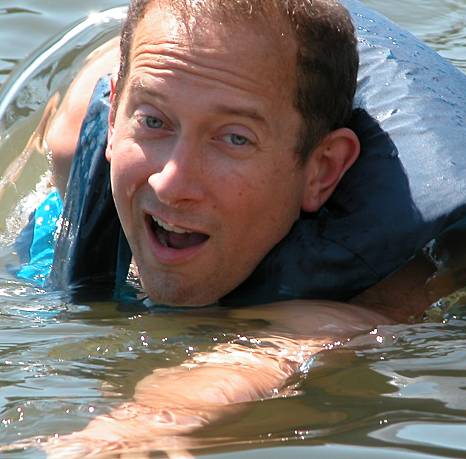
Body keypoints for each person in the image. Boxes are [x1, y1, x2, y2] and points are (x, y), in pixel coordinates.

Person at [33, 0, 445, 456]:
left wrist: (154, 418)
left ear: (321, 170)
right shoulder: (76, 157)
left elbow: (303, 336)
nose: (171, 185)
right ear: (113, 120)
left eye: (234, 138)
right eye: (153, 120)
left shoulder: (408, 265)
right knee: (67, 140)